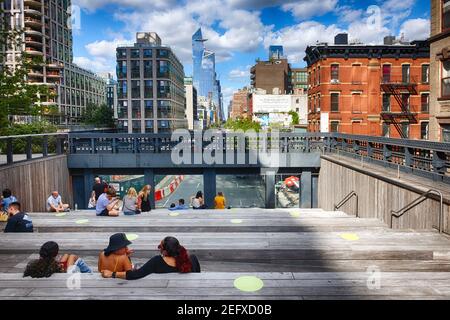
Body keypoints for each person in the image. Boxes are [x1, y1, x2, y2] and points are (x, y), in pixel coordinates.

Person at [101, 236, 200, 280]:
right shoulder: (192, 259)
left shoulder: (157, 261)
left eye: (160, 246)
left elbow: (134, 275)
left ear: (165, 251)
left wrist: (112, 274)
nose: (158, 247)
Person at [23, 241, 92, 278]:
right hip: (77, 277)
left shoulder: (34, 266)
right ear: (56, 254)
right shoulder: (56, 267)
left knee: (67, 256)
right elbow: (68, 274)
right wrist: (72, 258)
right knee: (72, 256)